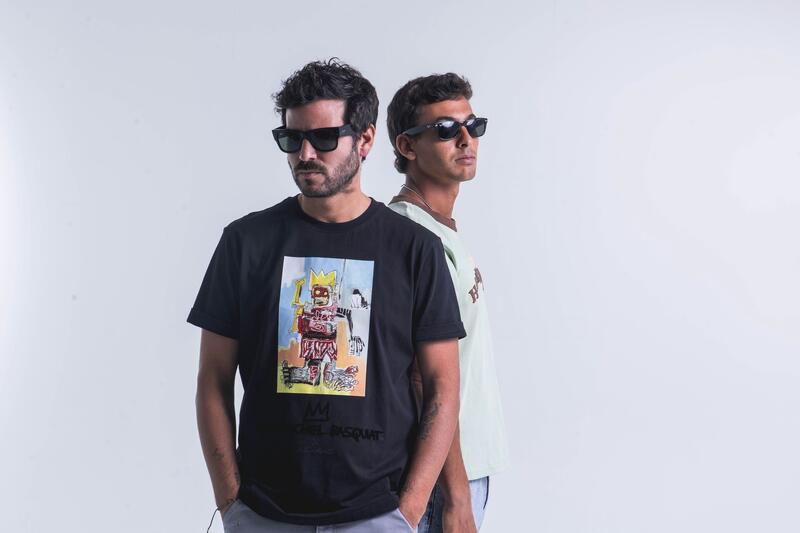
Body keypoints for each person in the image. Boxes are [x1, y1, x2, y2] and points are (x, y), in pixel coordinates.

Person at [189, 59, 465, 532]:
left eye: (323, 138)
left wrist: (409, 509)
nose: (305, 154)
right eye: (292, 139)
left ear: (365, 140)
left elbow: (443, 386)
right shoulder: (245, 243)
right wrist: (230, 501)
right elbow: (213, 378)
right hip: (263, 514)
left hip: (377, 515)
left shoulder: (415, 249)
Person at [386, 73, 510, 532]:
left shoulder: (438, 229)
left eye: (472, 126)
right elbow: (422, 376)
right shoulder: (411, 237)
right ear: (407, 146)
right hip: (441, 480)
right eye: (444, 129)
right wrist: (455, 496)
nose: (465, 139)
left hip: (467, 468)